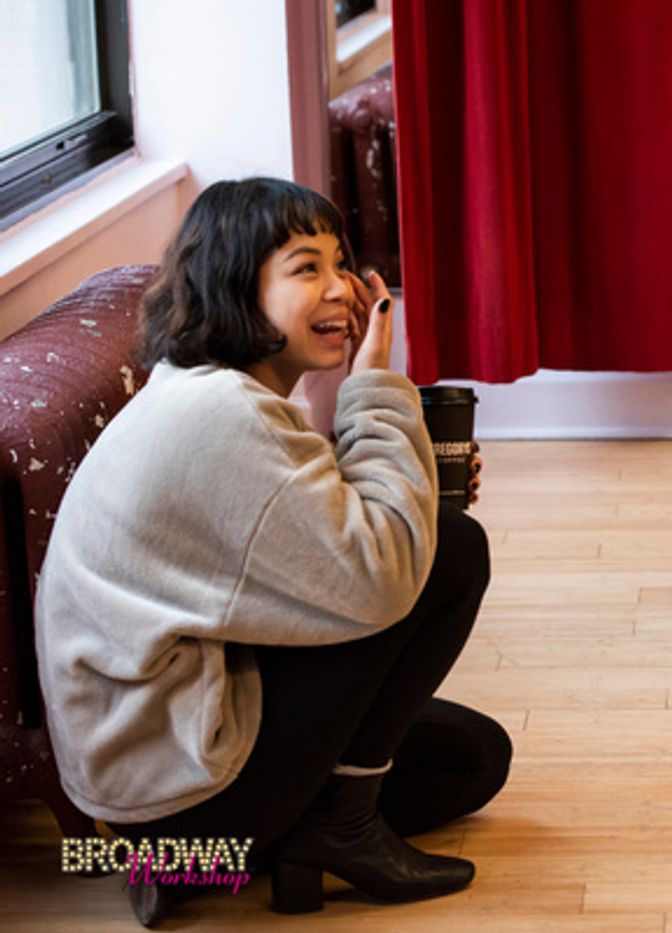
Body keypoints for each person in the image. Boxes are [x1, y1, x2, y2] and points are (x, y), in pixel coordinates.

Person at [35, 178, 510, 924]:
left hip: (175, 747)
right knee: (450, 551)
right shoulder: (223, 416)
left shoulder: (213, 394)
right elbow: (379, 577)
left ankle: (287, 844)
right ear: (235, 287)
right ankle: (299, 841)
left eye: (339, 261)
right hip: (176, 797)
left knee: (474, 756)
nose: (342, 290)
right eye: (304, 267)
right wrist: (378, 388)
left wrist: (409, 480)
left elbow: (303, 532)